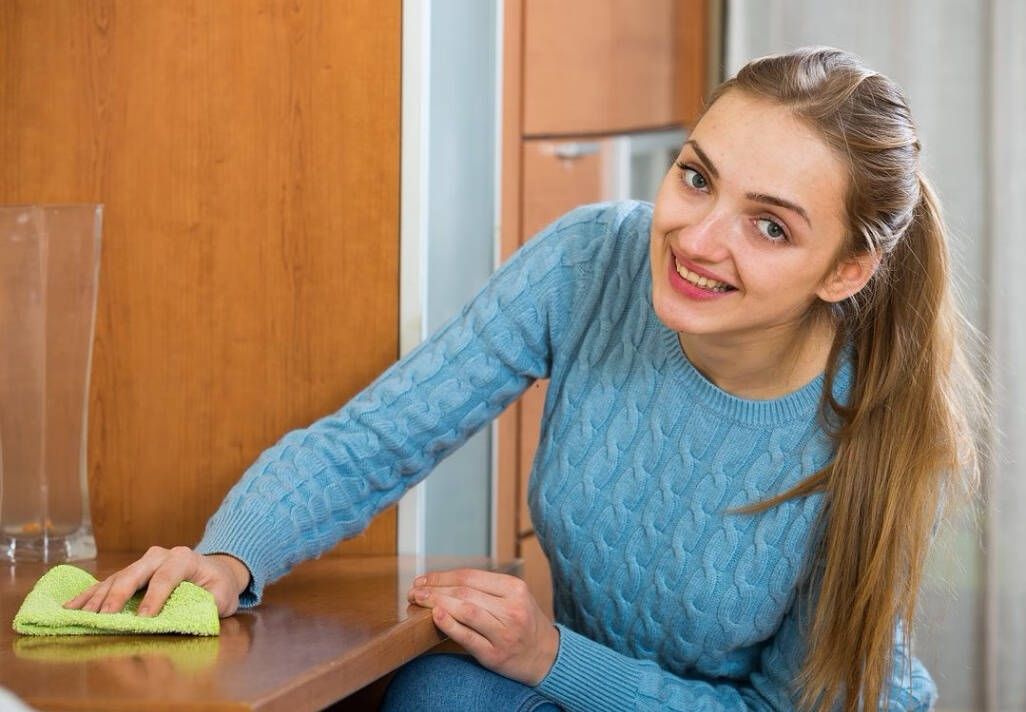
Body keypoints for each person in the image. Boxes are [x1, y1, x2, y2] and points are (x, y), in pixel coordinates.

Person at [64, 46, 983, 711]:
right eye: (698, 178)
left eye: (771, 226)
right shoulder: (594, 261)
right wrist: (230, 556)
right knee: (439, 695)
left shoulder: (873, 432)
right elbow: (380, 437)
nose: (697, 240)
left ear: (845, 273)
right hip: (584, 679)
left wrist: (552, 658)